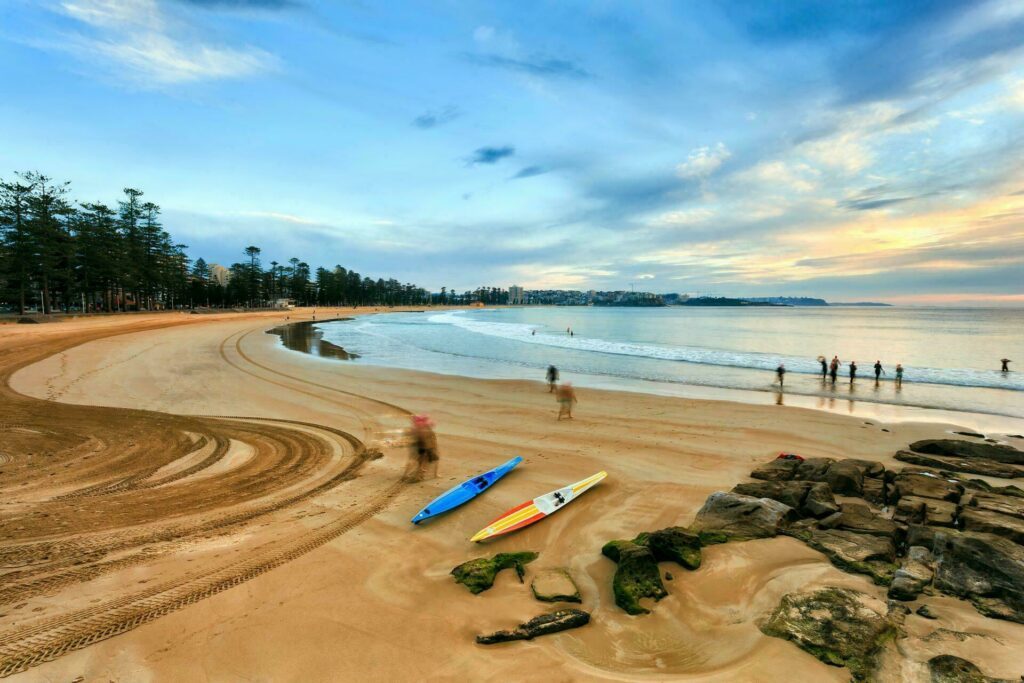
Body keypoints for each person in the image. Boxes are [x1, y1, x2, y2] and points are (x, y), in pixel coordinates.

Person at [405, 415, 439, 482]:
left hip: (418, 447)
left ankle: (407, 475)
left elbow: (412, 439)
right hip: (425, 448)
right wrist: (433, 447)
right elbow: (430, 441)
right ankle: (432, 474)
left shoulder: (415, 430)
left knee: (415, 461)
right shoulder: (427, 431)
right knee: (424, 462)